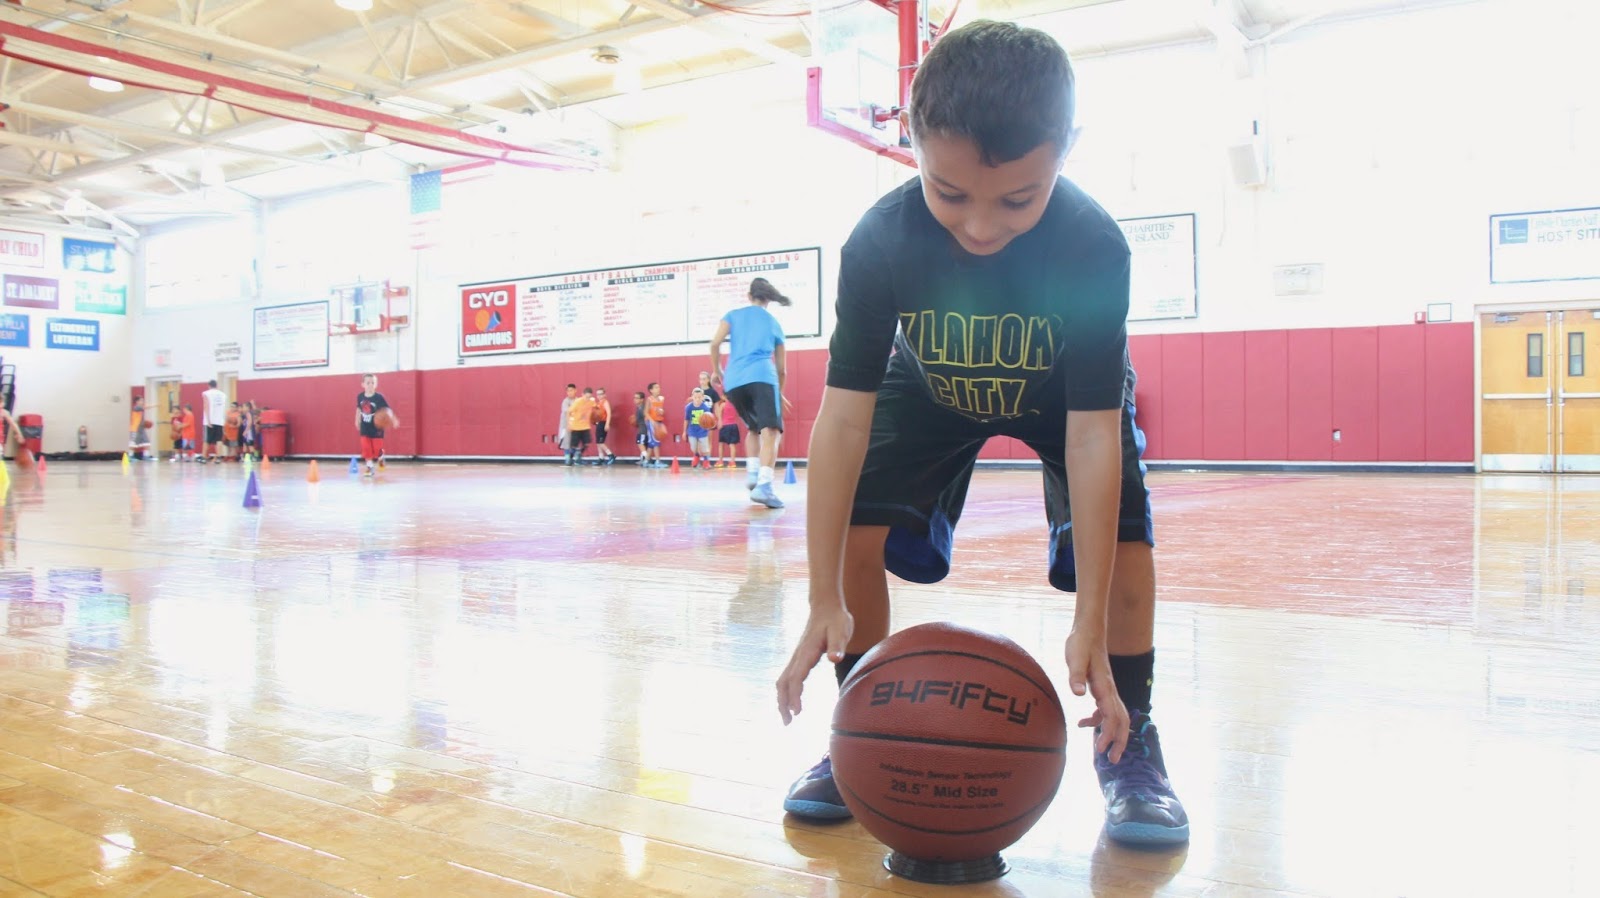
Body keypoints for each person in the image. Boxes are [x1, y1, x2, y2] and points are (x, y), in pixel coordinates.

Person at [771, 20, 1188, 847]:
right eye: (950, 193)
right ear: (913, 145)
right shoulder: (881, 239)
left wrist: (1090, 624)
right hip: (927, 382)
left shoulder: (1092, 244)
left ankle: (1128, 735)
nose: (983, 226)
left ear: (1066, 150)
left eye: (1018, 198)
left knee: (1132, 548)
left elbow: (1097, 434)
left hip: (1065, 394)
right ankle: (860, 727)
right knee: (859, 527)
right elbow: (844, 415)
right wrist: (821, 595)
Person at [709, 277, 792, 509]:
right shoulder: (773, 323)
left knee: (753, 428)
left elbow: (714, 344)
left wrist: (717, 371)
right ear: (769, 299)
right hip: (762, 377)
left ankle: (754, 474)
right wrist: (779, 393)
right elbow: (782, 369)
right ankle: (764, 486)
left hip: (733, 382)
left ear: (749, 296)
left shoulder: (733, 315)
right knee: (772, 432)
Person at [354, 373, 398, 476]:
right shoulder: (360, 396)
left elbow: (388, 410)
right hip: (365, 426)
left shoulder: (379, 397)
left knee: (377, 449)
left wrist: (394, 419)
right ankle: (369, 467)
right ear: (363, 384)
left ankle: (381, 457)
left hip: (377, 427)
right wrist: (356, 420)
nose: (370, 385)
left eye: (372, 383)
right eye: (368, 383)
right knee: (366, 447)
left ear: (376, 384)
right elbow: (358, 409)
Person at [684, 387, 715, 467]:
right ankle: (696, 455)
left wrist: (709, 425)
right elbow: (686, 420)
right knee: (693, 447)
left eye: (699, 397)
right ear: (692, 397)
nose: (697, 399)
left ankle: (706, 461)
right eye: (695, 397)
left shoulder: (705, 407)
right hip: (692, 430)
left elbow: (709, 418)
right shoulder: (688, 407)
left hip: (702, 430)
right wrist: (684, 431)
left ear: (702, 397)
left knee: (705, 448)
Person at [565, 388, 596, 466]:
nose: (587, 399)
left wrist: (597, 415)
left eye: (589, 397)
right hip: (576, 426)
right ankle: (570, 458)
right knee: (574, 445)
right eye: (586, 397)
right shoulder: (578, 402)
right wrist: (569, 424)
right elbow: (568, 412)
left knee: (587, 443)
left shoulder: (591, 402)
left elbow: (596, 409)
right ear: (582, 395)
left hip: (585, 426)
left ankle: (579, 454)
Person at [199, 379, 228, 463]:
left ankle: (204, 457)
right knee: (218, 440)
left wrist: (208, 420)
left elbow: (206, 406)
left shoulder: (206, 393)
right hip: (219, 420)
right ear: (216, 385)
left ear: (209, 385)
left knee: (206, 440)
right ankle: (218, 457)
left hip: (210, 420)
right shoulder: (223, 395)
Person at [591, 387, 617, 465]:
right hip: (599, 423)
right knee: (598, 442)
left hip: (603, 423)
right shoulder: (598, 403)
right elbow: (595, 414)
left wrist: (607, 424)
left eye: (601, 394)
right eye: (597, 394)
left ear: (604, 395)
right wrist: (594, 421)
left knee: (601, 442)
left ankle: (611, 455)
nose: (599, 396)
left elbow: (609, 413)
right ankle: (601, 458)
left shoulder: (605, 402)